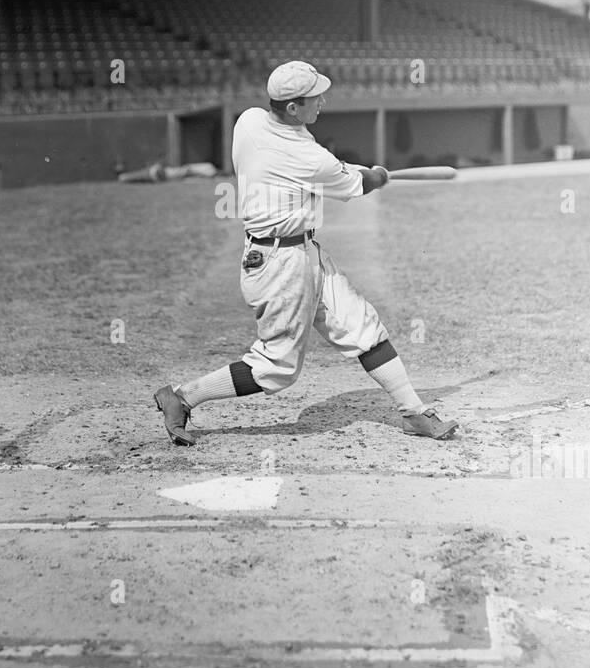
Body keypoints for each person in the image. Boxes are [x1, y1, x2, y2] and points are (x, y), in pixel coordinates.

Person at [154, 60, 458, 446]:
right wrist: (376, 177)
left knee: (363, 326)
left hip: (303, 253)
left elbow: (325, 170)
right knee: (276, 367)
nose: (323, 102)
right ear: (293, 108)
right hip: (280, 266)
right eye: (314, 98)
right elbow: (351, 183)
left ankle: (413, 411)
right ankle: (181, 396)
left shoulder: (249, 121)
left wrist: (353, 172)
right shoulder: (307, 156)